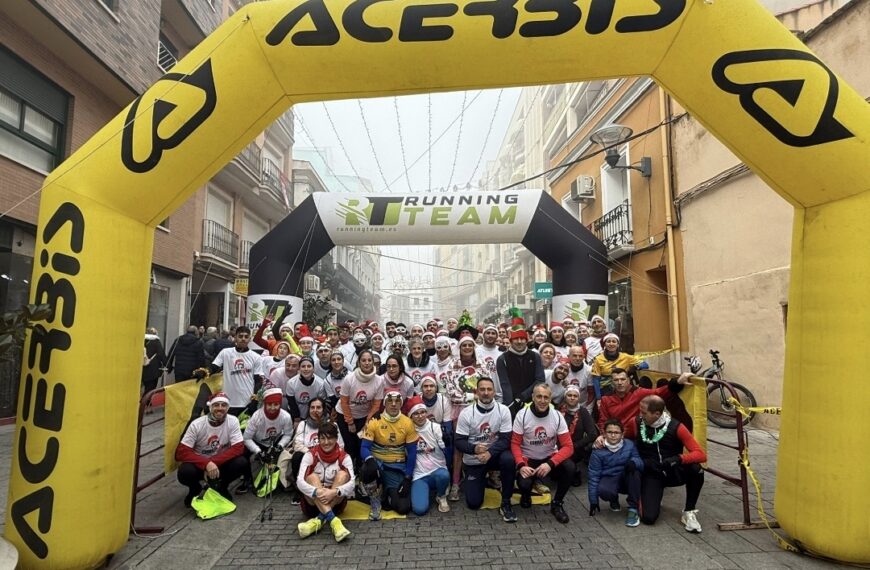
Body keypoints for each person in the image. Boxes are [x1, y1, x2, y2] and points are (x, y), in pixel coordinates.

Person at [635, 395, 707, 532]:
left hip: (673, 470)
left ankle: (689, 511)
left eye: (644, 413)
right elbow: (627, 440)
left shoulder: (676, 426)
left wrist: (679, 459)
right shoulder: (637, 422)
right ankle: (654, 496)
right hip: (652, 473)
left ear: (657, 414)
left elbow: (701, 454)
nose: (640, 415)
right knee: (648, 518)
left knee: (696, 469)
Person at [454, 377, 518, 523]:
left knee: (509, 459)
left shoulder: (503, 410)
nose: (486, 393)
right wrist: (474, 449)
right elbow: (459, 442)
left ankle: (506, 502)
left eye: (489, 389)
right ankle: (480, 479)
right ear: (476, 392)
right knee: (473, 503)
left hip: (494, 455)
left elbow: (506, 439)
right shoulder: (466, 413)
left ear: (494, 392)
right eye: (482, 389)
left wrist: (489, 452)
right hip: (474, 458)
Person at [511, 384, 574, 524]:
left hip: (549, 458)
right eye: (539, 396)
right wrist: (521, 465)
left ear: (550, 399)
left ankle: (557, 504)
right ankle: (526, 494)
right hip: (528, 459)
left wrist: (551, 463)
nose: (542, 400)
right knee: (524, 483)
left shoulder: (557, 416)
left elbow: (568, 447)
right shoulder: (522, 415)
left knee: (570, 468)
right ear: (533, 397)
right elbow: (515, 444)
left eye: (546, 397)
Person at [175, 391, 247, 506]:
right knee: (184, 472)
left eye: (223, 405)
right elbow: (181, 452)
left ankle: (222, 487)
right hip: (199, 464)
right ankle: (195, 489)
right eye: (216, 405)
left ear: (228, 408)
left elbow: (238, 448)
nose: (220, 408)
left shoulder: (233, 421)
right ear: (210, 407)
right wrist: (205, 464)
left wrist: (212, 462)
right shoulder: (197, 424)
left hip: (220, 463)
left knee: (241, 462)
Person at [358, 390, 417, 520]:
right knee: (368, 467)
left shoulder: (408, 423)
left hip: (395, 467)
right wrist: (370, 460)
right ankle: (374, 500)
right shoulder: (375, 420)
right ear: (385, 404)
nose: (394, 404)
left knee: (403, 508)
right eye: (390, 401)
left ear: (401, 404)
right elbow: (364, 448)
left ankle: (384, 496)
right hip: (377, 464)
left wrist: (408, 477)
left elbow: (412, 453)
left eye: (397, 401)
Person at [295, 422, 354, 542]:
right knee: (312, 477)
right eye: (323, 438)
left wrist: (334, 492)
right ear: (318, 439)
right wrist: (317, 491)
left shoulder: (345, 457)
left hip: (336, 503)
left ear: (336, 439)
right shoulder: (310, 455)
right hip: (312, 505)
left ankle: (319, 520)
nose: (326, 442)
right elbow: (299, 481)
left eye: (330, 438)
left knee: (343, 475)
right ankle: (334, 521)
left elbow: (352, 483)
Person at [596, 369, 692, 442]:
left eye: (622, 379)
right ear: (612, 382)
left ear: (628, 380)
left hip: (636, 438)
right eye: (616, 380)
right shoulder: (606, 399)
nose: (620, 383)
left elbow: (660, 392)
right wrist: (603, 436)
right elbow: (603, 421)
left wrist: (678, 381)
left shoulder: (638, 393)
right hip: (613, 438)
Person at [588, 418, 643, 527]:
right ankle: (613, 499)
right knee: (603, 490)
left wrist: (634, 462)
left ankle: (633, 509)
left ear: (622, 434)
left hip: (625, 476)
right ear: (604, 433)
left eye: (616, 432)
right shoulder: (597, 451)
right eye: (610, 432)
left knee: (635, 472)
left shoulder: (629, 445)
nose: (613, 435)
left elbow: (640, 462)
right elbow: (593, 476)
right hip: (609, 477)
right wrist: (593, 501)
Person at [241, 386, 293, 495]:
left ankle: (282, 480)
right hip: (257, 442)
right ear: (265, 404)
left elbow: (288, 434)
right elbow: (247, 438)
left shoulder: (286, 416)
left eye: (276, 404)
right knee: (243, 454)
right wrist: (258, 451)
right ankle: (247, 479)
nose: (273, 408)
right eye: (269, 404)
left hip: (275, 442)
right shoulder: (257, 416)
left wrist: (280, 446)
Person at [336, 350, 383, 461]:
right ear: (358, 363)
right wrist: (350, 422)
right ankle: (350, 469)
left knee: (362, 445)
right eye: (363, 360)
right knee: (349, 446)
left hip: (364, 416)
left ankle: (362, 470)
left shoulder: (379, 380)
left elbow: (376, 404)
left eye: (369, 360)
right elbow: (344, 402)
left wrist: (367, 421)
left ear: (373, 362)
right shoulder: (349, 379)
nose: (366, 363)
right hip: (345, 415)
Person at [407, 396, 451, 515]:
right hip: (419, 475)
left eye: (422, 412)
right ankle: (425, 490)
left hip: (437, 470)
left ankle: (441, 495)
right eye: (416, 414)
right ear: (410, 416)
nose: (420, 416)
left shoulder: (435, 427)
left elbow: (445, 449)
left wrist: (446, 443)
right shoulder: (407, 430)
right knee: (419, 510)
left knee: (444, 475)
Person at [496, 309, 545, 415]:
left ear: (526, 340)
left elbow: (540, 380)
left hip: (533, 403)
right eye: (516, 338)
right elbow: (505, 384)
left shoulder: (535, 356)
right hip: (511, 406)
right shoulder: (502, 359)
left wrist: (522, 397)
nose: (519, 341)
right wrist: (510, 406)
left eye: (522, 338)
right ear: (511, 341)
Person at [209, 326, 264, 417]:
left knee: (244, 430)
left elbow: (258, 380)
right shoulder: (225, 353)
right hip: (227, 402)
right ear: (235, 338)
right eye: (240, 336)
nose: (243, 339)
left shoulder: (256, 357)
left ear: (250, 339)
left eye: (246, 337)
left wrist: (255, 400)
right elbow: (214, 367)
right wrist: (204, 371)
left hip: (247, 403)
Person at [559, 385, 598, 486]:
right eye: (569, 395)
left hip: (575, 448)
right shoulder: (558, 410)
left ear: (578, 398)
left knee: (568, 468)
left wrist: (575, 445)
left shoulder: (583, 412)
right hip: (558, 447)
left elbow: (592, 434)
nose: (572, 398)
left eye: (575, 396)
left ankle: (575, 471)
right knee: (556, 475)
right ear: (565, 396)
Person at [591, 333, 648, 399]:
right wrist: (599, 398)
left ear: (618, 345)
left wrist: (636, 367)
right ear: (605, 345)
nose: (611, 344)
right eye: (608, 341)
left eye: (614, 341)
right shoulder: (598, 359)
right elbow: (596, 380)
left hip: (623, 387)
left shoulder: (626, 357)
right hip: (606, 389)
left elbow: (645, 365)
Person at [285, 356, 330, 425]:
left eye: (309, 366)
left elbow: (321, 403)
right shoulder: (291, 383)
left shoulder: (320, 383)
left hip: (313, 414)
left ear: (313, 369)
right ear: (299, 369)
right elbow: (292, 403)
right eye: (303, 366)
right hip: (295, 413)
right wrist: (296, 419)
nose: (306, 369)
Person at [142, 327, 166, 398]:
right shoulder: (156, 341)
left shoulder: (142, 340)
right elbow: (161, 354)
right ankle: (144, 405)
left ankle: (146, 404)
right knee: (150, 389)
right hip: (153, 369)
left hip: (142, 368)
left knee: (147, 387)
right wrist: (167, 365)